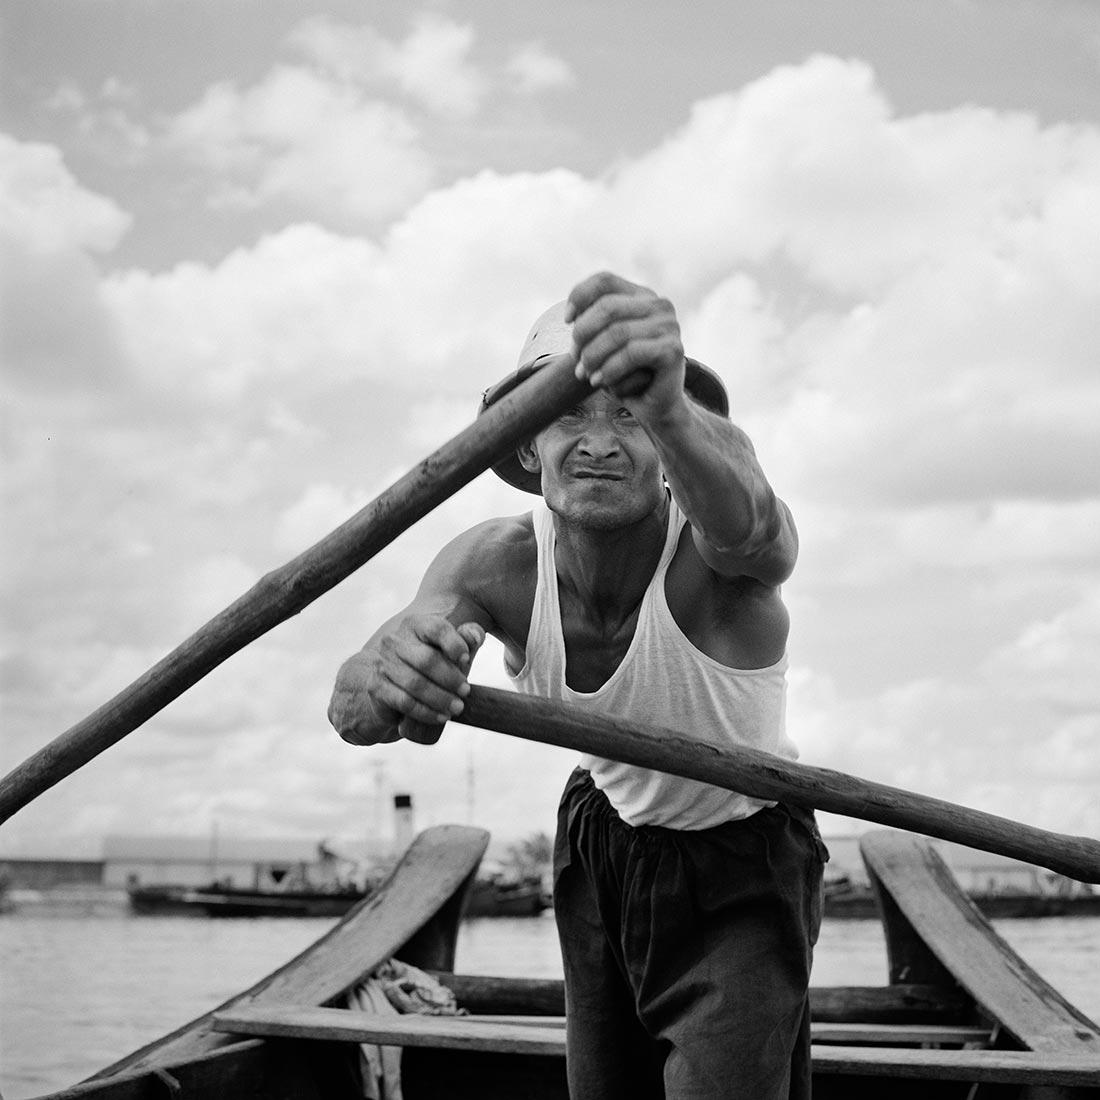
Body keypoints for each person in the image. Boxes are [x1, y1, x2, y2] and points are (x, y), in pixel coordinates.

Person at [328, 270, 827, 1100]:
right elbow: (355, 704)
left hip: (745, 853)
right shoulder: (494, 562)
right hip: (603, 843)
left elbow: (756, 525)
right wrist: (385, 681)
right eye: (569, 414)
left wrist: (671, 406)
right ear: (528, 446)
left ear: (670, 442)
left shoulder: (717, 558)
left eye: (630, 414)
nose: (601, 440)